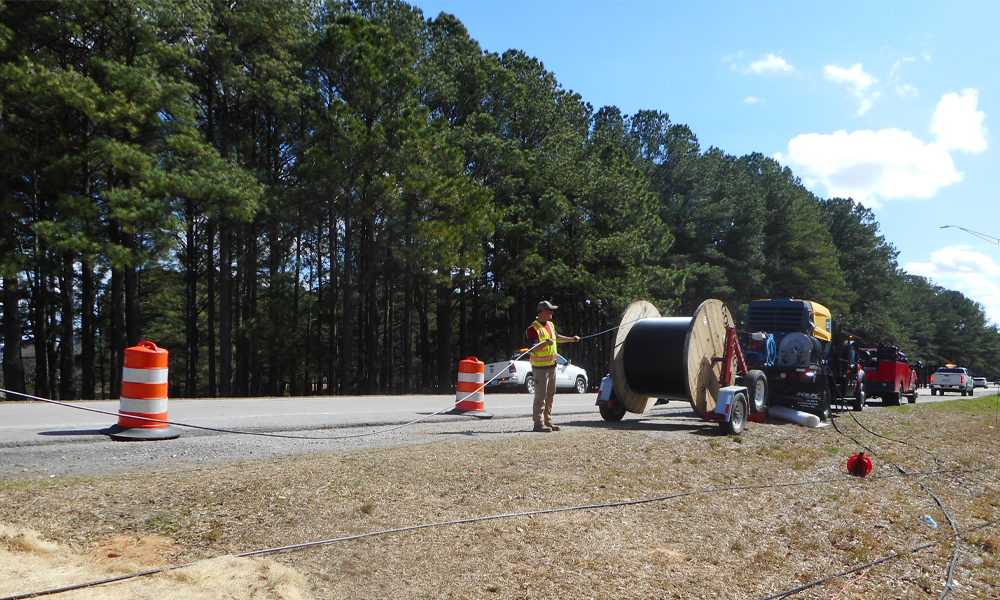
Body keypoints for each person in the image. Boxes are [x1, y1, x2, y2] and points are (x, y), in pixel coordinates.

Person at [526, 300, 579, 432]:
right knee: (540, 395)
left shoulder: (550, 324)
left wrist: (571, 339)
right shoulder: (533, 329)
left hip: (552, 366)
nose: (552, 313)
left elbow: (557, 338)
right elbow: (532, 349)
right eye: (550, 310)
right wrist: (545, 343)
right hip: (540, 368)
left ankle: (548, 422)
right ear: (543, 311)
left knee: (550, 394)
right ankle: (538, 424)